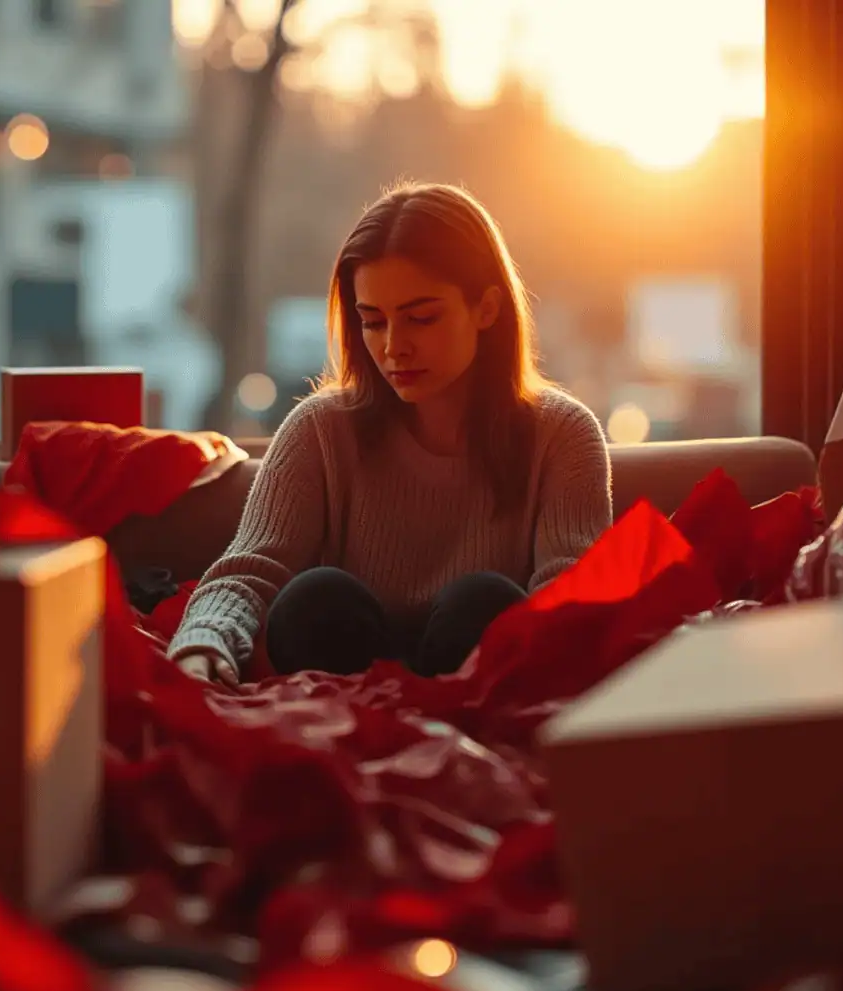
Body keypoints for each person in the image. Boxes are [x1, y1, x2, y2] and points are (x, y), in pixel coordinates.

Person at [168, 182, 613, 687]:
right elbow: (250, 569)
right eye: (372, 322)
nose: (393, 347)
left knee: (484, 604)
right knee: (316, 601)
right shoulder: (319, 428)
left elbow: (571, 596)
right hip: (341, 699)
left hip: (478, 699)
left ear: (487, 309)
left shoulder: (562, 433)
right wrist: (201, 643)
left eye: (420, 318)